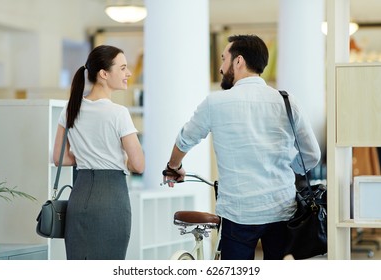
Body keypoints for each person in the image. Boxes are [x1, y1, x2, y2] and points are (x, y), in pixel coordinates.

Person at [162, 35, 321, 260]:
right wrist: (285, 166)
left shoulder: (215, 103)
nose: (220, 67)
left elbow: (185, 139)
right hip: (282, 209)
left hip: (238, 213)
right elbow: (311, 155)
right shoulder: (286, 101)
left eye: (223, 59)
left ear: (238, 62)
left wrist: (173, 166)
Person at [53, 45, 145, 260]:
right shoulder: (118, 113)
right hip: (111, 199)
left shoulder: (70, 109)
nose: (128, 74)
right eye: (122, 68)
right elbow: (139, 164)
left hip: (80, 194)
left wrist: (87, 156)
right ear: (104, 74)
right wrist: (122, 160)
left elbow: (58, 158)